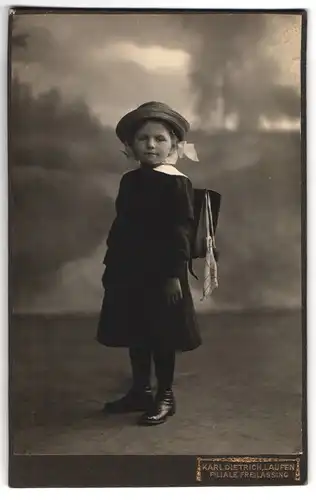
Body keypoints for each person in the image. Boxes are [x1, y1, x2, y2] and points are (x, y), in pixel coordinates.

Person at [96, 101, 202, 426]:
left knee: (162, 334)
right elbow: (121, 226)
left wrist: (174, 274)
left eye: (159, 139)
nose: (151, 145)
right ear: (131, 146)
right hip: (130, 271)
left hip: (163, 273)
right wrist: (111, 266)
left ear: (173, 146)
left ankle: (165, 395)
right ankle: (140, 389)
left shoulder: (175, 182)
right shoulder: (130, 181)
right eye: (143, 139)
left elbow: (179, 231)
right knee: (137, 331)